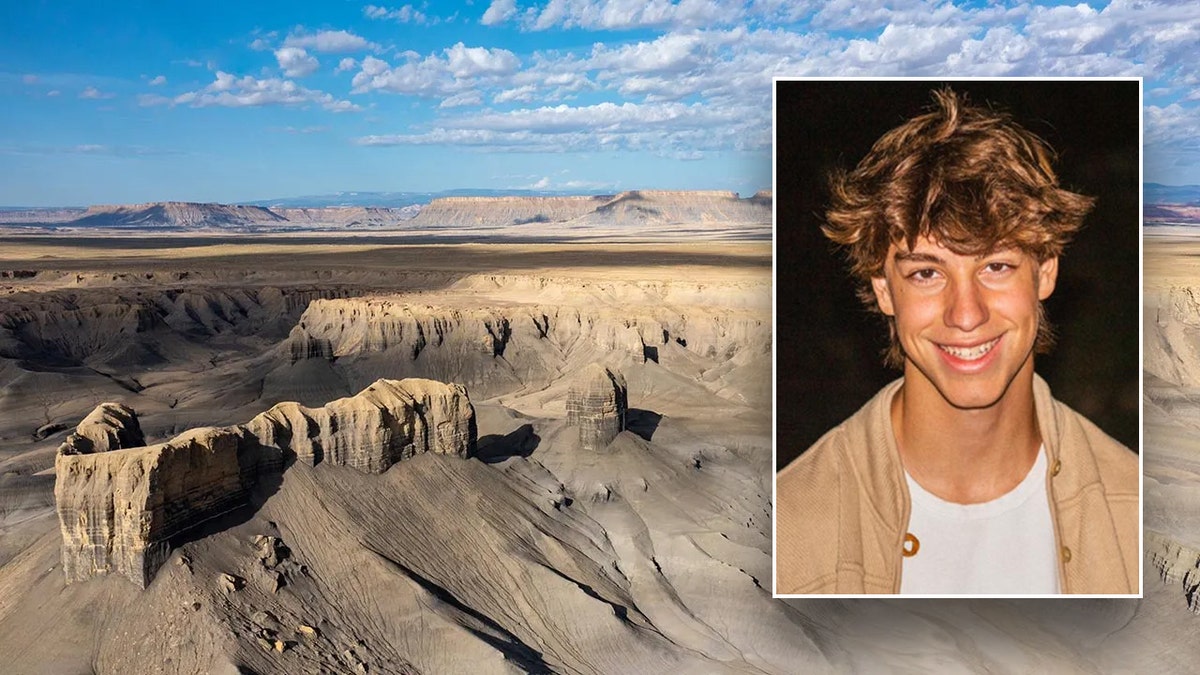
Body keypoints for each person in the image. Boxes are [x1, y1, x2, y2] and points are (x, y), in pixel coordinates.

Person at [775, 88, 1139, 595]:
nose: (965, 314)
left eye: (996, 266)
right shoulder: (785, 533)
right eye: (927, 272)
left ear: (1046, 271)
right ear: (884, 288)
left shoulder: (1141, 516)